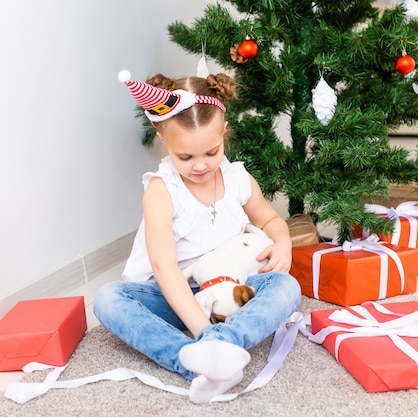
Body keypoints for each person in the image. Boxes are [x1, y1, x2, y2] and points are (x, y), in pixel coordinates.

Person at [93, 69, 301, 404]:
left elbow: (272, 219)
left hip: (231, 288)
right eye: (185, 157)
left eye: (211, 152)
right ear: (164, 139)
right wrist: (203, 330)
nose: (201, 166)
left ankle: (222, 345)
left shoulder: (237, 179)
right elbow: (164, 269)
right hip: (177, 292)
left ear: (224, 132)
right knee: (108, 299)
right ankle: (197, 357)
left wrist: (283, 242)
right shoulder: (162, 191)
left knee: (287, 287)